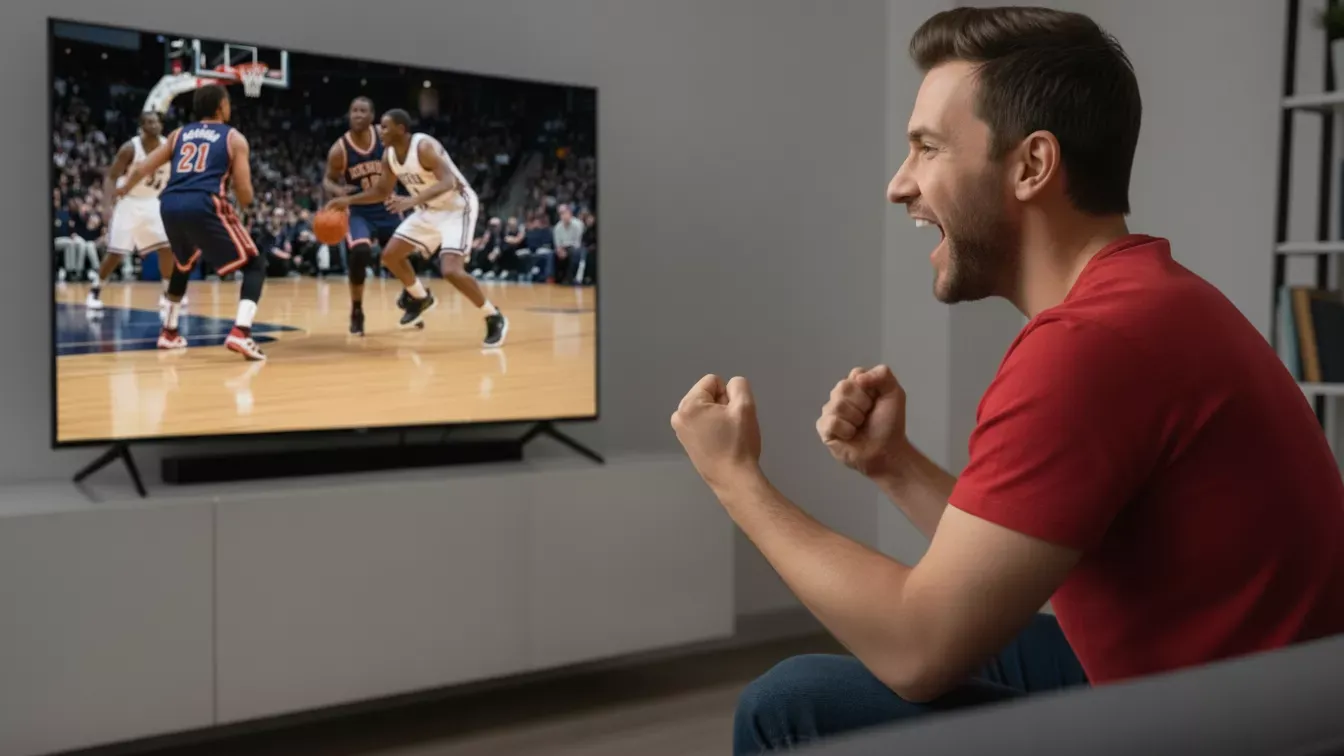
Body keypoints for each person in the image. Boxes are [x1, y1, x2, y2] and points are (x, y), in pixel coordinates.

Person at [668, 7, 1344, 754]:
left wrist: (734, 478)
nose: (900, 186)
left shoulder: (1087, 348)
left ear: (1031, 166)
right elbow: (1023, 559)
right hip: (1265, 701)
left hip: (1234, 731)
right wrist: (895, 467)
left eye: (926, 149)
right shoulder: (1151, 300)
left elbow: (919, 651)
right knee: (989, 634)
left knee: (791, 705)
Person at [325, 109, 507, 347]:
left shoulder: (423, 147)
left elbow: (448, 181)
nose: (381, 130)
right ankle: (421, 297)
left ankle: (492, 315)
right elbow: (381, 191)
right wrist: (347, 200)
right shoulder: (389, 156)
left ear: (401, 129)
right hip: (429, 209)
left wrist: (412, 201)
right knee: (390, 256)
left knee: (451, 270)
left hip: (457, 207)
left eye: (386, 126)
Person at [118, 84, 267, 361]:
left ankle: (169, 331)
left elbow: (142, 167)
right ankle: (241, 332)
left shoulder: (178, 135)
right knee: (255, 264)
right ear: (221, 107)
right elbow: (244, 191)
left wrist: (124, 189)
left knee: (182, 264)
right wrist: (247, 206)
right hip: (204, 202)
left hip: (170, 203)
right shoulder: (234, 138)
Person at [323, 97, 404, 335]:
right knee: (360, 252)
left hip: (388, 206)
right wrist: (338, 191)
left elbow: (405, 155)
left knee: (399, 257)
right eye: (354, 111)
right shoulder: (340, 149)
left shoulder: (385, 137)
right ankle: (357, 309)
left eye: (363, 111)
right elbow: (327, 178)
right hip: (359, 210)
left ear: (372, 116)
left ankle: (413, 296)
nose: (357, 115)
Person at [92, 111, 178, 313]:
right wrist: (106, 205)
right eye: (149, 122)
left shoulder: (169, 147)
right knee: (116, 253)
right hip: (128, 202)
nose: (154, 125)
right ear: (142, 126)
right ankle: (95, 290)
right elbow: (111, 177)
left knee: (167, 247)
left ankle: (167, 295)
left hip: (153, 202)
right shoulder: (130, 148)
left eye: (156, 122)